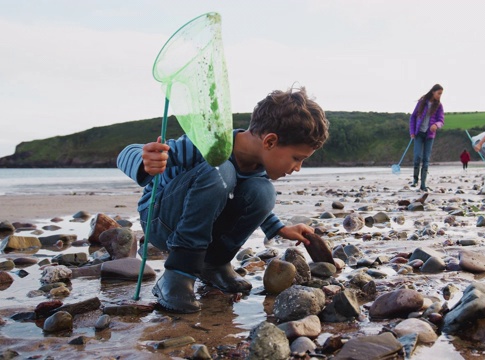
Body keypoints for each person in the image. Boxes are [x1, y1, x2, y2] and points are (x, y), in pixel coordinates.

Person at [117, 87, 329, 313]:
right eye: (297, 158)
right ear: (270, 141)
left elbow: (251, 202)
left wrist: (279, 228)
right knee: (221, 169)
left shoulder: (258, 168)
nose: (297, 168)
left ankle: (214, 264)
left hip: (202, 225)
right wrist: (146, 160)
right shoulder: (208, 142)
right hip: (161, 220)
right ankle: (178, 273)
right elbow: (125, 153)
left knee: (262, 190)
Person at [409, 84, 445, 191]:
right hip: (418, 133)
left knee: (426, 159)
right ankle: (415, 180)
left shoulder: (439, 106)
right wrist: (412, 132)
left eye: (441, 94)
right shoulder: (422, 102)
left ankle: (423, 184)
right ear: (433, 92)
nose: (439, 96)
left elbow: (441, 120)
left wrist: (436, 125)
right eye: (439, 93)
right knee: (417, 157)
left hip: (430, 135)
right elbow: (413, 117)